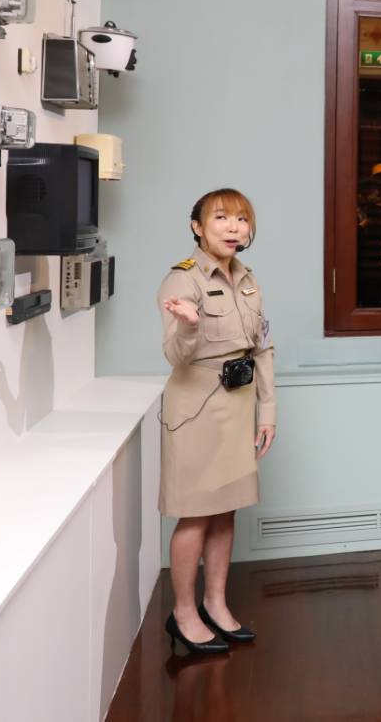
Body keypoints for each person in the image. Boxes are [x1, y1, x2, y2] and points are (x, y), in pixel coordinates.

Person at [157, 188, 276, 654]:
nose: (233, 227)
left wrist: (267, 410)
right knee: (196, 514)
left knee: (226, 509)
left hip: (239, 404)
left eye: (241, 219)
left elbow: (263, 346)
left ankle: (216, 603)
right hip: (197, 408)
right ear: (197, 227)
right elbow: (175, 356)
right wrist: (188, 325)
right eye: (221, 218)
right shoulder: (181, 279)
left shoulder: (247, 278)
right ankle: (184, 612)